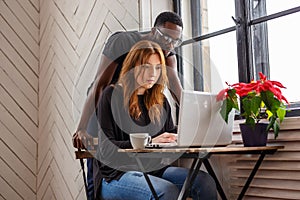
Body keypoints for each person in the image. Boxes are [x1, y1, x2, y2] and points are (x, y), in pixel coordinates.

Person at [72, 11, 184, 199]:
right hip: (106, 107)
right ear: (154, 31)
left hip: (138, 114)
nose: (170, 45)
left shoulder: (168, 53)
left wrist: (193, 123)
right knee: (102, 166)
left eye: (175, 41)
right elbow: (100, 85)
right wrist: (82, 127)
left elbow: (178, 92)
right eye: (166, 38)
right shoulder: (123, 41)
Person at [93, 40, 217, 200]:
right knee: (167, 191)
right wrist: (149, 141)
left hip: (154, 170)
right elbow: (106, 149)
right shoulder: (111, 96)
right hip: (116, 175)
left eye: (158, 67)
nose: (152, 73)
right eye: (146, 66)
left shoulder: (161, 101)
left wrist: (186, 136)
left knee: (204, 181)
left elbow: (170, 135)